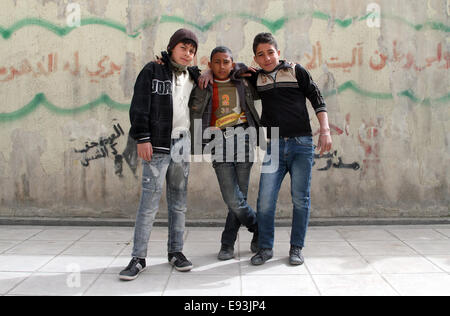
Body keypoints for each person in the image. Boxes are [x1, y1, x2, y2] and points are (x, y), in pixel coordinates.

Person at [234, 32, 333, 266]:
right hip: (275, 144)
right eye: (261, 54)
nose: (267, 57)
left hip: (302, 143)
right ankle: (265, 248)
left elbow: (317, 99)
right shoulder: (257, 78)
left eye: (270, 52)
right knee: (265, 200)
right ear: (255, 58)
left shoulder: (296, 70)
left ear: (278, 52)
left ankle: (296, 248)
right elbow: (231, 72)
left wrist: (325, 130)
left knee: (301, 199)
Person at [119, 28, 201, 281]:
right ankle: (138, 257)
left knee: (178, 202)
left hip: (181, 145)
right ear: (171, 47)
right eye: (183, 49)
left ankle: (176, 252)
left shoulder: (193, 76)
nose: (187, 54)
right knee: (149, 203)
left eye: (192, 51)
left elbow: (223, 71)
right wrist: (142, 138)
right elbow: (139, 106)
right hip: (157, 145)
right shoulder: (152, 70)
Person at [189, 46, 261, 260]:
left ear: (232, 63)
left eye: (226, 62)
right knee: (233, 198)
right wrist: (204, 73)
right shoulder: (203, 84)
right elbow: (186, 70)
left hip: (244, 138)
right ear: (209, 64)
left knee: (240, 196)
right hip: (217, 141)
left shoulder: (244, 81)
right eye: (217, 62)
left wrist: (239, 67)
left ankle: (227, 244)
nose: (222, 66)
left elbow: (262, 72)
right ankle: (260, 228)